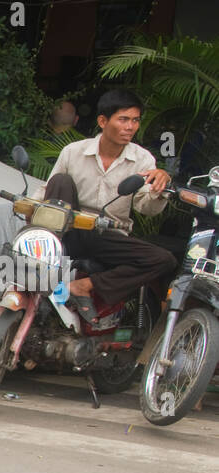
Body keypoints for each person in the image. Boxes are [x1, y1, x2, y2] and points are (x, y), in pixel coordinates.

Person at [45, 89, 176, 322]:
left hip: (109, 236)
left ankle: (84, 285)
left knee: (164, 259)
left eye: (135, 120)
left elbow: (145, 206)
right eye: (123, 119)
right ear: (103, 121)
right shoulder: (73, 152)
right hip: (69, 231)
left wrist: (159, 188)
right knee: (60, 181)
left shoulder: (143, 159)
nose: (130, 127)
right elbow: (47, 193)